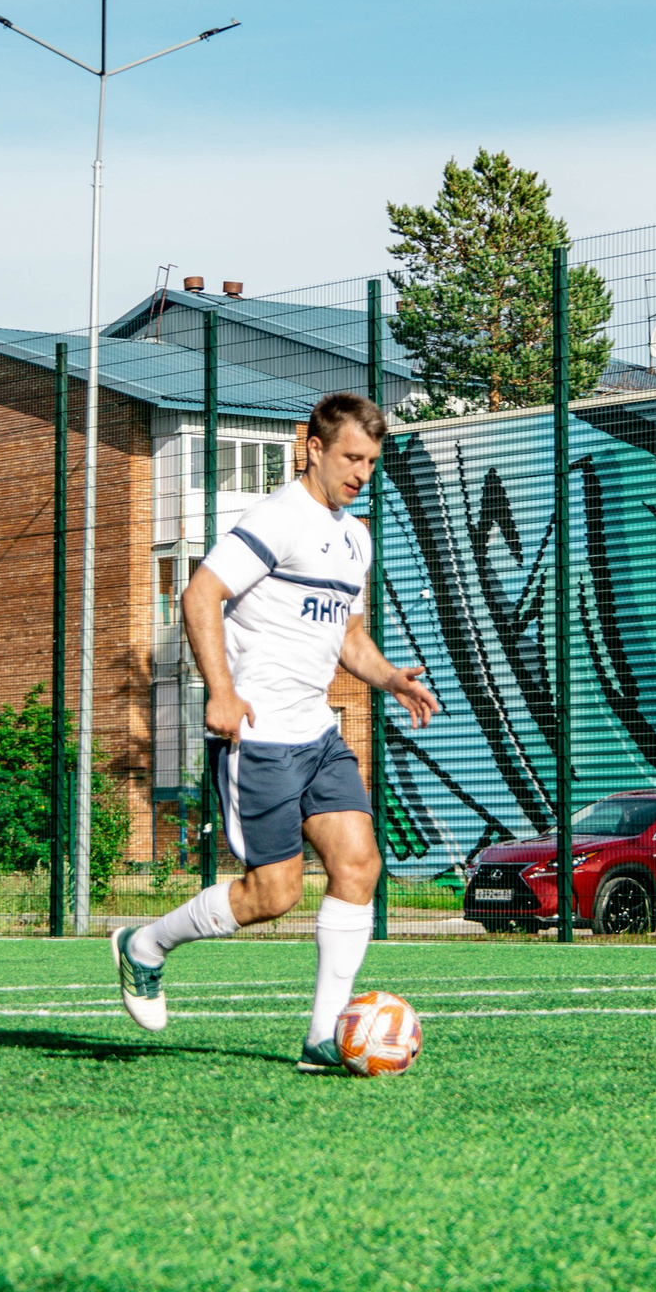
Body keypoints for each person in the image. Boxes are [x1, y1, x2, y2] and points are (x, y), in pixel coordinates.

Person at [111, 391, 440, 1072]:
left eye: (372, 461)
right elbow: (200, 592)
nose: (361, 472)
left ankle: (322, 1039)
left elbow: (348, 633)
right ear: (312, 449)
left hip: (317, 734)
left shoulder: (356, 536)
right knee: (275, 894)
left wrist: (389, 679)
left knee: (359, 865)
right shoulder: (278, 517)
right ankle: (144, 945)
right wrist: (222, 695)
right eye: (351, 456)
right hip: (257, 737)